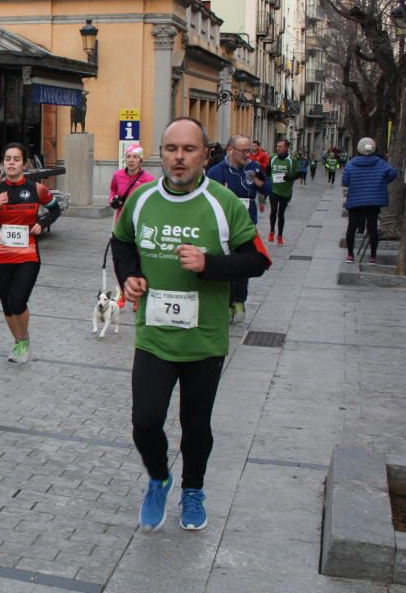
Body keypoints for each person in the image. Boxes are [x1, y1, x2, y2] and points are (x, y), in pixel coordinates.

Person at [111, 117, 271, 532]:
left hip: (204, 339)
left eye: (188, 150)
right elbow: (123, 240)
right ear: (160, 153)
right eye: (170, 149)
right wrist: (128, 275)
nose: (179, 158)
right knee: (145, 420)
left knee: (195, 425)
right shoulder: (142, 198)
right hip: (154, 335)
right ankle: (159, 477)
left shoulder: (224, 202)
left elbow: (257, 260)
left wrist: (209, 264)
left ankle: (194, 489)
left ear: (204, 154)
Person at [0, 142, 61, 363]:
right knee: (6, 304)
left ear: (24, 164)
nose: (11, 163)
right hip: (0, 256)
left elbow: (55, 208)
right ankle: (19, 343)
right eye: (8, 159)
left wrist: (41, 224)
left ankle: (24, 339)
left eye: (16, 159)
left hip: (28, 256)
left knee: (17, 302)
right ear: (3, 163)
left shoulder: (37, 189)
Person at [206, 135, 271, 323]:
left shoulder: (254, 168)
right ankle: (226, 303)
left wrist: (261, 184)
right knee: (226, 263)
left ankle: (239, 300)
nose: (247, 155)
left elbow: (268, 188)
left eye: (249, 150)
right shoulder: (217, 171)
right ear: (231, 150)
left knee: (243, 264)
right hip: (223, 225)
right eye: (244, 151)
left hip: (247, 224)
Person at [109, 145, 156, 308]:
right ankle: (122, 292)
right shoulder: (118, 176)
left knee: (138, 260)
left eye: (135, 157)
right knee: (120, 260)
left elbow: (152, 202)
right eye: (128, 156)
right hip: (121, 224)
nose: (131, 160)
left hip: (140, 225)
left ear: (141, 160)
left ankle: (137, 296)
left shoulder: (148, 180)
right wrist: (113, 201)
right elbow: (113, 191)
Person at [342, 137, 398, 264]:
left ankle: (350, 255)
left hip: (355, 200)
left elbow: (345, 182)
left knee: (352, 227)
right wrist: (383, 182)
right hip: (373, 200)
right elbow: (393, 172)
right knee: (372, 227)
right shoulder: (380, 163)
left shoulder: (351, 164)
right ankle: (372, 256)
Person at [267, 139, 297, 245]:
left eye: (280, 146)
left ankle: (280, 235)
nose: (278, 148)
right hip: (274, 189)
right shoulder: (272, 158)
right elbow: (267, 172)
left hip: (285, 191)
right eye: (277, 146)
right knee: (273, 211)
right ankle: (271, 231)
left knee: (281, 214)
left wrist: (289, 177)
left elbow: (297, 174)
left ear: (286, 148)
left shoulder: (291, 160)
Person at [248, 140, 270, 213]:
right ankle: (250, 202)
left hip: (260, 175)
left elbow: (267, 165)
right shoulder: (249, 154)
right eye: (252, 145)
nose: (253, 147)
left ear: (258, 146)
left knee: (260, 190)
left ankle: (261, 203)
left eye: (255, 146)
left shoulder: (263, 155)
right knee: (250, 189)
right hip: (250, 176)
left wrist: (260, 164)